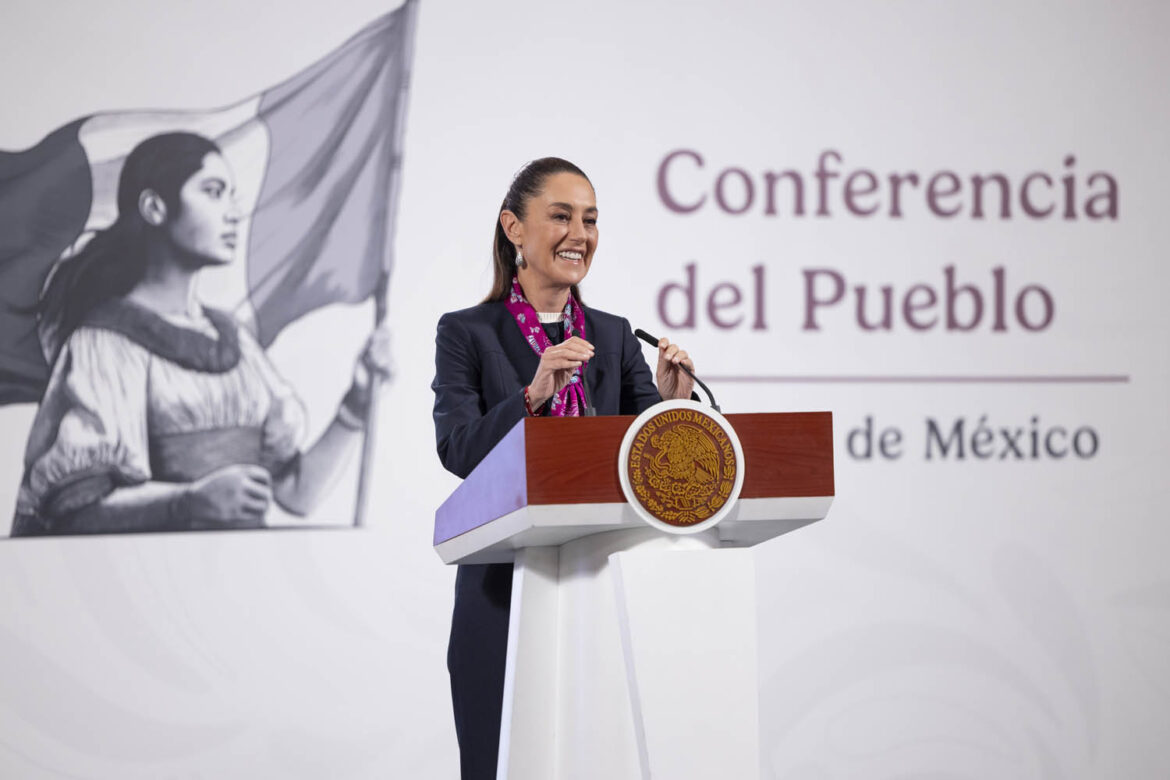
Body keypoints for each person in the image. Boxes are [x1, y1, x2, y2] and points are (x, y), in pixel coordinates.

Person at [431, 157, 695, 778]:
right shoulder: (467, 333)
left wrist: (673, 407)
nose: (580, 233)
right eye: (561, 216)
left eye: (591, 219)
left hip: (601, 583)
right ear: (513, 228)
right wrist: (532, 396)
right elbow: (458, 448)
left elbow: (648, 464)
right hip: (500, 588)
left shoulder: (615, 334)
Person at [12, 131, 390, 536]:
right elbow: (75, 511)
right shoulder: (104, 343)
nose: (233, 213)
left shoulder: (237, 342)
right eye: (213, 192)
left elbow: (296, 494)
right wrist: (188, 501)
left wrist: (356, 405)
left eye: (231, 194)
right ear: (155, 207)